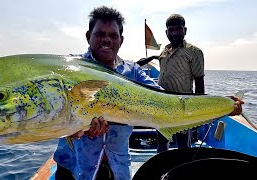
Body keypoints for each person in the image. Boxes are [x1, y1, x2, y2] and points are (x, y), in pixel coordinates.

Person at [53, 8, 244, 180]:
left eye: (113, 35)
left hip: (117, 167)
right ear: (88, 36)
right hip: (73, 165)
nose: (107, 40)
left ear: (121, 39)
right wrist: (75, 130)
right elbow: (53, 115)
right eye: (100, 34)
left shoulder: (133, 71)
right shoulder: (70, 69)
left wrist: (222, 106)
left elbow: (163, 100)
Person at [137, 14, 205, 153]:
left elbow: (199, 82)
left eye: (178, 29)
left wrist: (199, 112)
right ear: (166, 32)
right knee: (161, 142)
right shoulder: (164, 51)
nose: (174, 33)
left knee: (183, 145)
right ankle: (162, 169)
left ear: (185, 30)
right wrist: (152, 57)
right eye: (171, 29)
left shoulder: (194, 52)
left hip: (183, 107)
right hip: (162, 106)